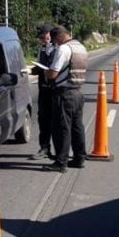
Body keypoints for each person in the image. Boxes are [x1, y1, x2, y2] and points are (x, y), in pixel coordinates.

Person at [41, 25, 88, 173]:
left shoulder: (64, 49)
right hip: (78, 92)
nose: (56, 44)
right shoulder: (80, 47)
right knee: (77, 127)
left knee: (62, 128)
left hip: (64, 93)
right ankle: (79, 158)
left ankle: (61, 162)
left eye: (55, 41)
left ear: (60, 37)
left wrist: (45, 72)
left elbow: (53, 74)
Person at [29, 25, 55, 160]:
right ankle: (44, 148)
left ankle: (61, 152)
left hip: (56, 89)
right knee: (43, 119)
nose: (44, 40)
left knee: (57, 121)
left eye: (45, 37)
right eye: (42, 38)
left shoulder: (60, 49)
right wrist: (29, 71)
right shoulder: (42, 49)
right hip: (43, 88)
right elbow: (39, 66)